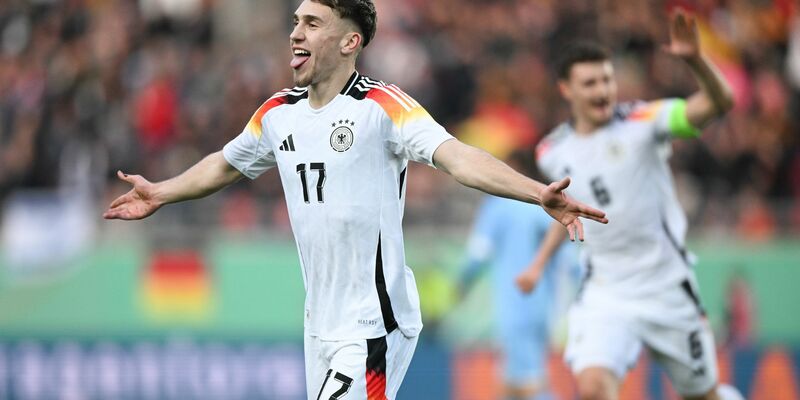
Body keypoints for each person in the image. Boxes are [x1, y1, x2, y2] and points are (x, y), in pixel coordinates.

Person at [102, 1, 607, 399]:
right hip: (319, 324)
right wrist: (162, 192)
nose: (296, 33)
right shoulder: (278, 112)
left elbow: (457, 157)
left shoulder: (382, 107)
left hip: (374, 323)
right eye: (296, 21)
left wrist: (536, 193)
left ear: (350, 41)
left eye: (313, 23)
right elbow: (226, 163)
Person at [515, 10, 743, 400]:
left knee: (703, 394)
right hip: (606, 290)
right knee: (592, 389)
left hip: (666, 285)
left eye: (607, 79)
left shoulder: (644, 121)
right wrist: (538, 263)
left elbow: (720, 104)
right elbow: (567, 211)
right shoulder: (552, 150)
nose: (602, 90)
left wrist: (695, 61)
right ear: (566, 90)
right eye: (589, 83)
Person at [458, 149, 577, 400]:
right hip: (545, 306)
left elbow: (478, 254)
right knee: (511, 384)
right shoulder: (547, 208)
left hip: (515, 306)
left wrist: (461, 284)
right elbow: (572, 262)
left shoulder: (499, 206)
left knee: (529, 386)